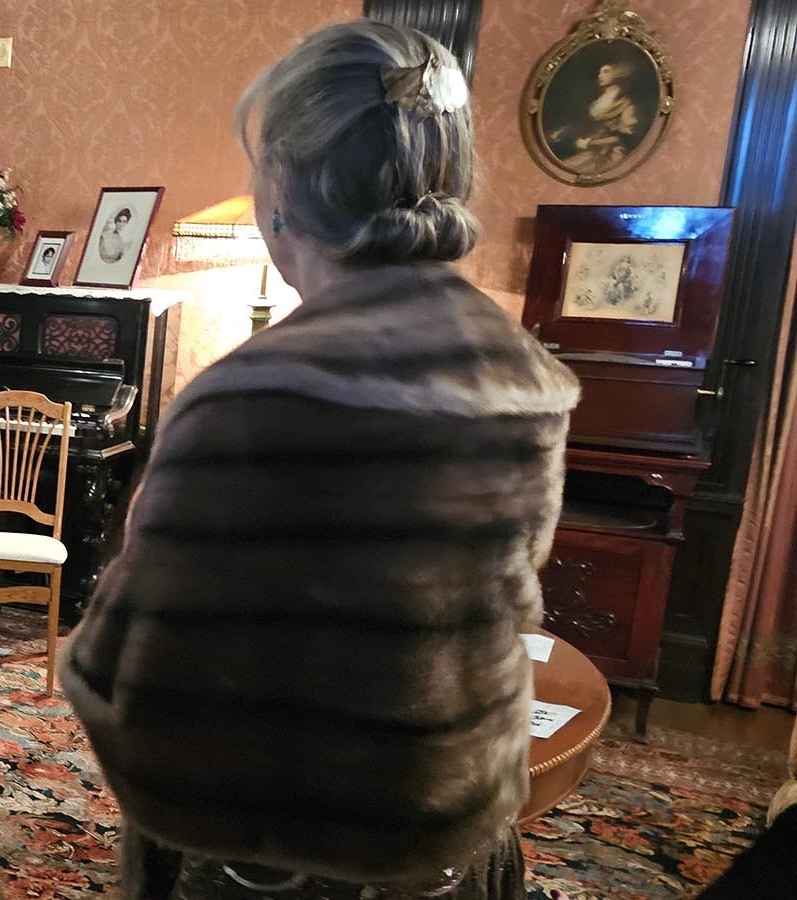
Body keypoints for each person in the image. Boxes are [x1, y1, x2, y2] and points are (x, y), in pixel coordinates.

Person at [61, 21, 579, 900]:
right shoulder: (522, 373)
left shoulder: (253, 397)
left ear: (286, 189)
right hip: (460, 848)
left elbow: (137, 693)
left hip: (280, 864)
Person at [550, 60, 639, 176]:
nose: (600, 76)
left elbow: (622, 138)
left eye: (606, 71)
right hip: (586, 147)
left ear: (618, 73)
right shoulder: (598, 100)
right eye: (600, 72)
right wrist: (564, 130)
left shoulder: (627, 105)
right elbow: (586, 123)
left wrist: (591, 143)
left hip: (606, 152)